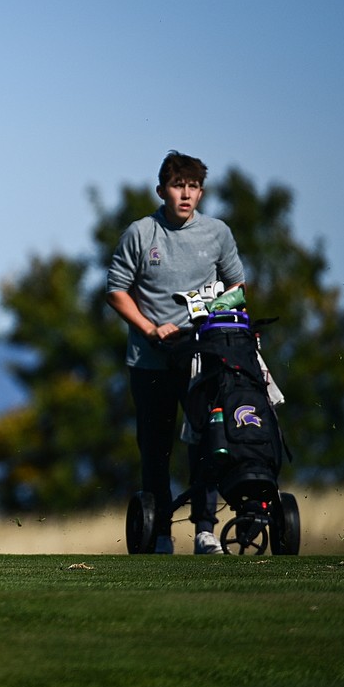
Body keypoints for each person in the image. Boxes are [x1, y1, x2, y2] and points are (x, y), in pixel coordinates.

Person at [106, 151, 245, 555]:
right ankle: (161, 533)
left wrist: (213, 318)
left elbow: (238, 288)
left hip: (203, 357)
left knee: (206, 442)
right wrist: (151, 329)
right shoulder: (141, 233)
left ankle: (205, 529)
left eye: (193, 187)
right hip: (151, 359)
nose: (186, 194)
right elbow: (116, 291)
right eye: (178, 186)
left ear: (201, 192)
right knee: (155, 449)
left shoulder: (217, 233)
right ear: (162, 190)